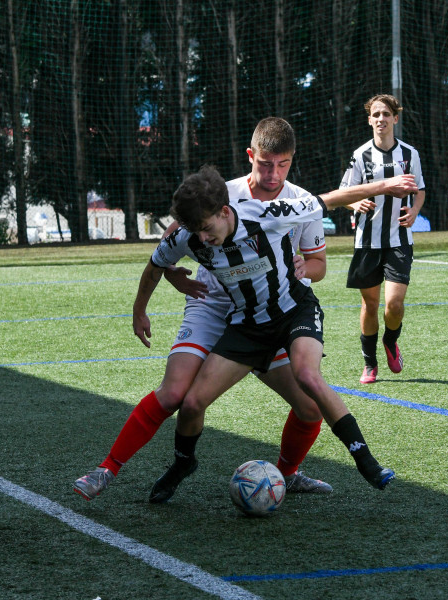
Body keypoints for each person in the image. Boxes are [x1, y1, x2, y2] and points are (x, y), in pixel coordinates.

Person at [73, 118, 333, 502]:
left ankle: (288, 474)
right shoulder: (218, 195)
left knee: (310, 406)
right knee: (176, 394)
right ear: (251, 156)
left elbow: (319, 265)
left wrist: (301, 268)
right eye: (265, 164)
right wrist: (174, 278)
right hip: (210, 306)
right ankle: (107, 468)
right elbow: (170, 245)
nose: (273, 174)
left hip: (269, 313)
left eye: (283, 164)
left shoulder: (301, 202)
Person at [142, 164, 417, 502]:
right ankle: (182, 464)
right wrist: (140, 309)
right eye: (195, 231)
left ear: (225, 212)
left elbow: (330, 199)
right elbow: (156, 264)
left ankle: (365, 461)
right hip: (248, 325)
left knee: (307, 376)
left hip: (294, 311)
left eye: (206, 228)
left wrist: (386, 184)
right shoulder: (189, 237)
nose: (202, 239)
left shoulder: (267, 213)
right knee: (193, 401)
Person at [341, 94, 426, 385]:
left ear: (395, 119)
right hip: (367, 241)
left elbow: (420, 189)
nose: (381, 119)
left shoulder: (409, 154)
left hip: (399, 239)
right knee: (370, 305)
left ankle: (391, 341)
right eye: (376, 114)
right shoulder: (360, 155)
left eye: (386, 114)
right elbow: (345, 194)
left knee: (395, 304)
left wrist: (414, 210)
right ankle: (370, 363)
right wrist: (355, 204)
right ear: (369, 120)